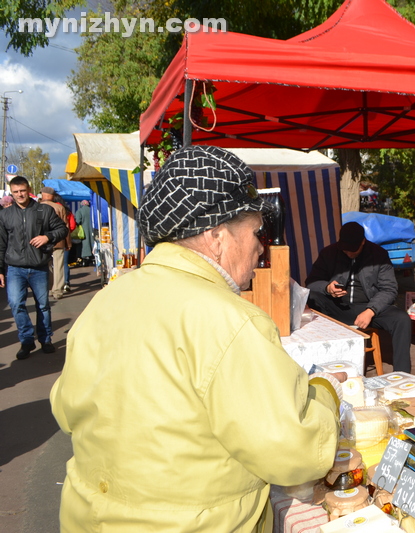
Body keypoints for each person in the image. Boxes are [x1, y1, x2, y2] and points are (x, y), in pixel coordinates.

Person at [50, 145, 344, 532]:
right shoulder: (229, 321)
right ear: (217, 235)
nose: (261, 246)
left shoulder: (104, 302)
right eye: (258, 231)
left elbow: (64, 409)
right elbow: (295, 449)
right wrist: (325, 390)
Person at [306, 221, 412, 373]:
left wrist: (371, 310)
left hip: (368, 307)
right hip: (337, 308)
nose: (349, 253)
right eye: (345, 250)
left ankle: (403, 374)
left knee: (401, 319)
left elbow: (389, 289)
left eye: (353, 250)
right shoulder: (328, 253)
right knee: (311, 297)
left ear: (363, 242)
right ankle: (314, 363)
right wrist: (327, 288)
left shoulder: (379, 255)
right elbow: (311, 282)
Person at [0, 176, 68, 359]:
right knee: (16, 304)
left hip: (39, 267)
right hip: (15, 268)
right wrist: (0, 269)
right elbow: (1, 243)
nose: (19, 194)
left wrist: (47, 237)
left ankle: (46, 340)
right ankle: (26, 340)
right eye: (15, 192)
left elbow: (63, 229)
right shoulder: (5, 215)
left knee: (43, 306)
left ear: (28, 189)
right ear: (11, 193)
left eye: (22, 190)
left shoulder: (43, 210)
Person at [40, 187, 71, 300]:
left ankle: (48, 288)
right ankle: (57, 290)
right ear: (52, 196)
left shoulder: (37, 207)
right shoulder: (60, 207)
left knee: (45, 265)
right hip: (59, 240)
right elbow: (65, 226)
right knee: (59, 265)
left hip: (41, 241)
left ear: (43, 194)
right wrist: (68, 243)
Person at [72, 199, 94, 266]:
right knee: (92, 243)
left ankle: (84, 258)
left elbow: (78, 221)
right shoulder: (92, 210)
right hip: (92, 230)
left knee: (84, 244)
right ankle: (92, 257)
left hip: (83, 231)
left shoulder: (80, 211)